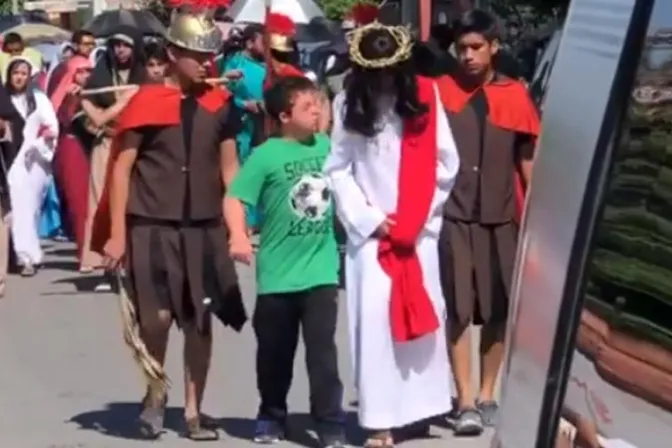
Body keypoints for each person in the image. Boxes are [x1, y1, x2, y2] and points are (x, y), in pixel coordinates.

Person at [90, 5, 247, 440]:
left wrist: (238, 229)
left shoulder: (221, 104)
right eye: (196, 54)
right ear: (174, 53)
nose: (205, 63)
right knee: (156, 318)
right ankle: (155, 394)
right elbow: (122, 168)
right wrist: (118, 235)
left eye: (210, 55)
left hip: (203, 228)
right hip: (151, 226)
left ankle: (194, 409)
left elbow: (231, 172)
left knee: (199, 320)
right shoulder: (146, 100)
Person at [323, 15, 460, 447]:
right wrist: (369, 218)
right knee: (375, 324)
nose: (383, 80)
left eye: (389, 72)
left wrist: (418, 216)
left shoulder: (425, 97)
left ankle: (417, 410)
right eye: (375, 73)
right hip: (372, 236)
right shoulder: (348, 104)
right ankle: (380, 418)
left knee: (422, 319)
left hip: (418, 231)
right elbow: (337, 170)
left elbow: (446, 163)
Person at [434, 9, 539, 435]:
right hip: (455, 216)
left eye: (476, 47)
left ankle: (488, 392)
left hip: (501, 218)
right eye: (462, 48)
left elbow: (528, 159)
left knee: (496, 309)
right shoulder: (441, 92)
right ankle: (463, 401)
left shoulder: (515, 95)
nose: (468, 56)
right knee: (459, 309)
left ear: (494, 48)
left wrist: (536, 213)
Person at [227, 76, 345, 447]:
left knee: (323, 354)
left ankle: (329, 423)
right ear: (283, 115)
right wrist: (239, 234)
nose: (316, 112)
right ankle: (272, 414)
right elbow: (235, 198)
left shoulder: (328, 147)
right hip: (277, 276)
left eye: (318, 105)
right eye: (307, 107)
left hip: (321, 271)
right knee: (275, 355)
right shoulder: (265, 155)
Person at [79, 25, 145, 280]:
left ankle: (132, 260)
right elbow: (88, 117)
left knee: (132, 201)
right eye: (116, 44)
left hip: (135, 145)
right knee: (100, 200)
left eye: (126, 44)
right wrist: (90, 108)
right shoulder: (100, 75)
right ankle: (101, 264)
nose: (120, 50)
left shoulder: (144, 75)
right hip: (105, 143)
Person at [4, 57, 59, 276]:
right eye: (15, 73)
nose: (19, 77)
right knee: (17, 209)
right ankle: (24, 257)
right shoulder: (4, 99)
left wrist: (37, 144)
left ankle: (28, 252)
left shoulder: (38, 99)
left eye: (23, 73)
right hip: (10, 159)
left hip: (34, 161)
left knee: (31, 210)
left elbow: (51, 127)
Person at [218, 24, 266, 230]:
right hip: (242, 128)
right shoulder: (235, 63)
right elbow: (223, 93)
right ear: (249, 43)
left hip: (264, 125)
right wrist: (243, 104)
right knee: (243, 173)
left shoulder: (269, 64)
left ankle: (261, 219)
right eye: (263, 41)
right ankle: (245, 221)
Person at [50, 55, 94, 263]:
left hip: (90, 148)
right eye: (81, 71)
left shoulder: (93, 92)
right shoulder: (66, 95)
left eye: (89, 71)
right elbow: (61, 119)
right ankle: (84, 253)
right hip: (72, 147)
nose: (86, 75)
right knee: (78, 201)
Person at [46, 30, 97, 96]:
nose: (91, 47)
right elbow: (89, 82)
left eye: (93, 44)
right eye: (86, 44)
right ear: (75, 46)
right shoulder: (81, 63)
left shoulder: (68, 62)